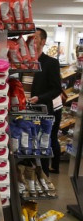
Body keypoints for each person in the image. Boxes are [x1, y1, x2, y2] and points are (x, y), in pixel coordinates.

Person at [29, 27, 63, 175]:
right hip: (22, 111)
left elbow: (56, 89)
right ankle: (26, 179)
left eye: (35, 38)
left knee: (42, 147)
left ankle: (43, 178)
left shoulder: (51, 63)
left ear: (43, 41)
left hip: (42, 112)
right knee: (24, 146)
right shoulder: (22, 61)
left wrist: (40, 98)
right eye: (30, 38)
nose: (32, 41)